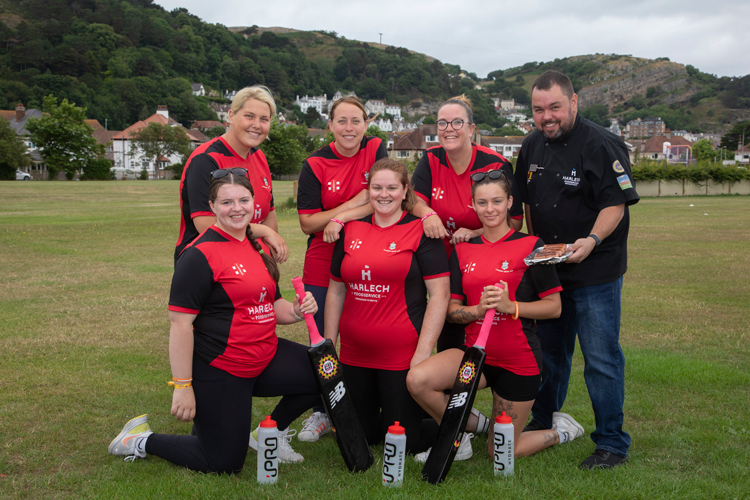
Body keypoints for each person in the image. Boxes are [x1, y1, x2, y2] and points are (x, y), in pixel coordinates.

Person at [108, 171, 320, 472]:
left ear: (253, 202)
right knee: (222, 462)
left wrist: (297, 310)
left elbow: (272, 304)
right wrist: (183, 386)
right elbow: (180, 325)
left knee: (323, 373)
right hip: (223, 368)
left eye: (243, 200)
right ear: (212, 205)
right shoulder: (198, 255)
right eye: (227, 202)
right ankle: (140, 439)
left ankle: (266, 434)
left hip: (263, 356)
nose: (237, 208)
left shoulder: (253, 245)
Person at [407, 170, 583, 463]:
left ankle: (561, 430)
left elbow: (554, 307)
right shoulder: (462, 250)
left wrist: (510, 306)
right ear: (473, 206)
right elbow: (451, 311)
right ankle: (458, 436)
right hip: (475, 356)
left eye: (497, 201)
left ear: (510, 202)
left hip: (518, 361)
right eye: (483, 202)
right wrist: (476, 311)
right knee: (418, 380)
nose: (490, 209)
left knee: (499, 452)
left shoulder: (532, 246)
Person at [514, 70, 639, 469]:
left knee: (600, 357)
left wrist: (592, 241)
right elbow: (528, 203)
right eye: (538, 109)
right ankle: (542, 419)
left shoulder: (601, 143)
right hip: (550, 271)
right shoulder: (532, 144)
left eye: (554, 107)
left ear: (574, 102)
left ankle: (611, 443)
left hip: (595, 271)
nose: (547, 116)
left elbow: (614, 204)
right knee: (549, 354)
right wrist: (537, 249)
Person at [324, 158, 450, 454]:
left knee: (403, 442)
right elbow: (335, 290)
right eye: (377, 187)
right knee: (360, 437)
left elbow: (440, 296)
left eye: (392, 187)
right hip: (355, 352)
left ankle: (460, 424)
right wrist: (330, 344)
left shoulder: (422, 230)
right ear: (368, 190)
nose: (384, 194)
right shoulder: (350, 229)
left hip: (401, 354)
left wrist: (422, 353)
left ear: (405, 190)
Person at [295, 96, 387, 441]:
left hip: (368, 252)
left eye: (356, 121)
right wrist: (350, 206)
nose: (350, 128)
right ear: (330, 125)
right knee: (323, 338)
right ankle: (321, 411)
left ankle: (364, 404)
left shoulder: (376, 148)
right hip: (323, 256)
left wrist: (338, 215)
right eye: (342, 121)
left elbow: (378, 197)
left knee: (365, 332)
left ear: (366, 125)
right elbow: (307, 223)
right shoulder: (315, 164)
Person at [410, 94, 524, 352]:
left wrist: (476, 231)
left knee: (489, 332)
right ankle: (451, 383)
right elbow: (413, 201)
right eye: (442, 123)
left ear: (472, 129)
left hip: (481, 260)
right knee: (448, 334)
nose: (449, 129)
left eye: (457, 123)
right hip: (440, 262)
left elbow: (515, 220)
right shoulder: (431, 159)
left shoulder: (495, 164)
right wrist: (428, 213)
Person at [174, 85, 287, 265]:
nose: (256, 125)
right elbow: (207, 224)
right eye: (249, 116)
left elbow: (268, 214)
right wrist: (264, 232)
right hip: (209, 265)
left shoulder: (259, 157)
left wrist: (265, 252)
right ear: (231, 116)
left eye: (264, 119)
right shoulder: (206, 159)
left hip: (252, 261)